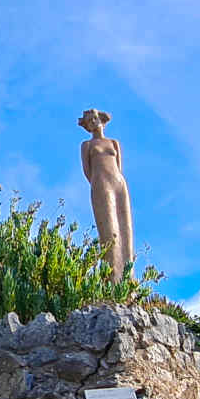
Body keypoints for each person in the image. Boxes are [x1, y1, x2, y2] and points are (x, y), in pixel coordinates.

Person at [78, 108, 133, 281]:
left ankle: (128, 277)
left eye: (94, 118)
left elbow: (119, 166)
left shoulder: (113, 143)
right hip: (101, 184)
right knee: (109, 229)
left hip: (118, 183)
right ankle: (113, 278)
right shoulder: (87, 145)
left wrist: (115, 179)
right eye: (89, 121)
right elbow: (87, 170)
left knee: (125, 228)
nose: (93, 122)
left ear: (100, 119)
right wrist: (98, 183)